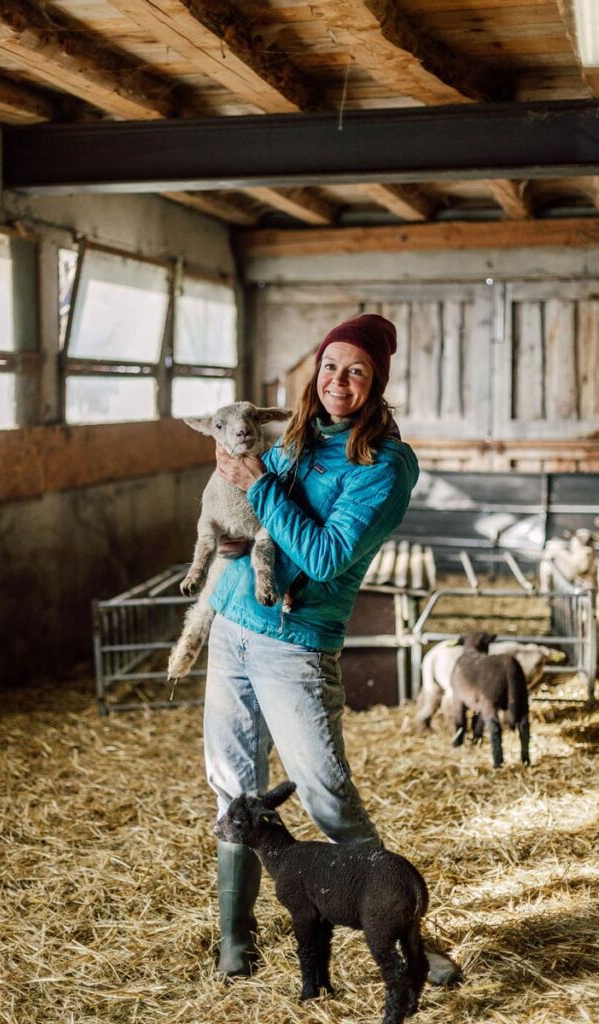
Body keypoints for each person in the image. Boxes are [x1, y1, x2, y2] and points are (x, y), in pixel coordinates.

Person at [204, 313, 457, 985]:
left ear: (375, 385)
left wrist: (255, 483)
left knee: (324, 795)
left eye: (356, 370)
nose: (337, 380)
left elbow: (319, 554)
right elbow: (251, 516)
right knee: (233, 788)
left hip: (295, 645)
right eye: (328, 366)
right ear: (313, 372)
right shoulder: (294, 435)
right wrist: (232, 499)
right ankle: (235, 939)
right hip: (232, 624)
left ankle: (408, 938)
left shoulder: (384, 465)